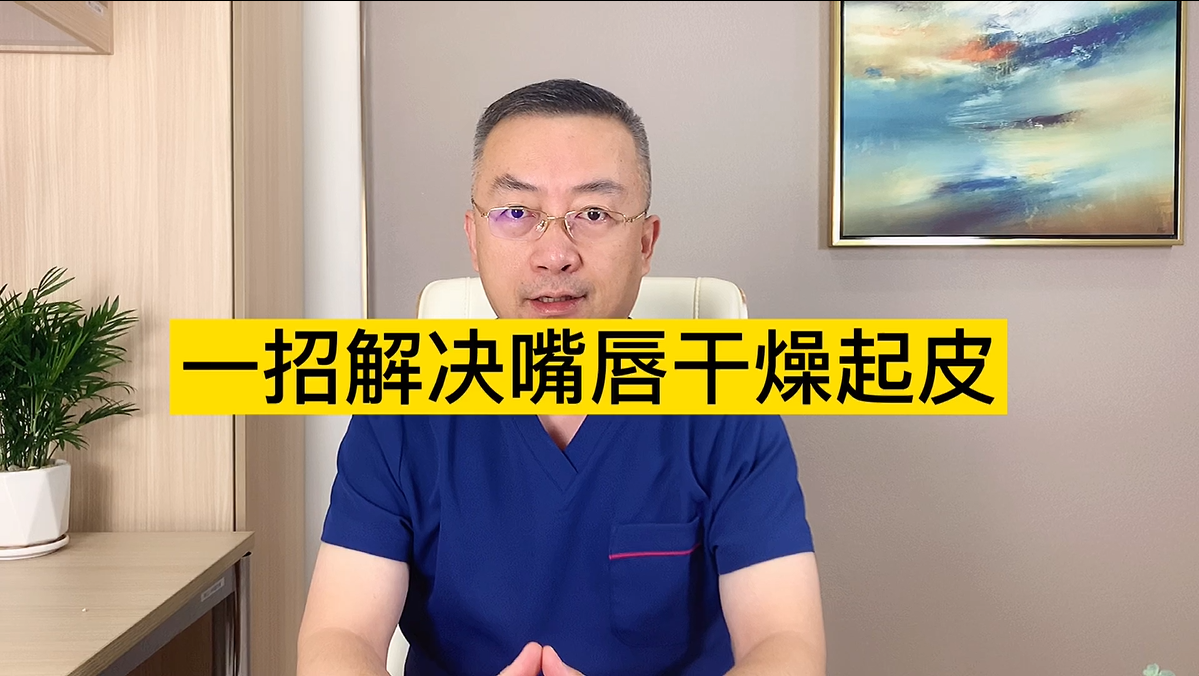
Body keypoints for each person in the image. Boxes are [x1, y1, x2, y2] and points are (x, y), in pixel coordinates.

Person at [297, 79, 826, 676]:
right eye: (516, 213)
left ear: (645, 244)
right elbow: (339, 635)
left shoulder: (728, 406)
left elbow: (784, 643)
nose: (555, 254)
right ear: (474, 238)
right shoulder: (399, 409)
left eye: (593, 214)